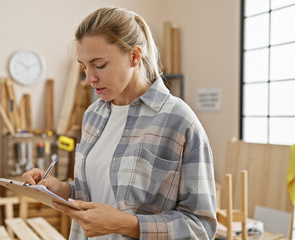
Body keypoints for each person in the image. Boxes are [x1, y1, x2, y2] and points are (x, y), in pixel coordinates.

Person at [23, 7, 217, 239]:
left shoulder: (179, 121)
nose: (89, 78)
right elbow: (98, 194)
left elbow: (200, 226)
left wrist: (126, 225)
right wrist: (63, 190)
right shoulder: (93, 115)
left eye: (100, 65)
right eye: (84, 66)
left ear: (135, 56)